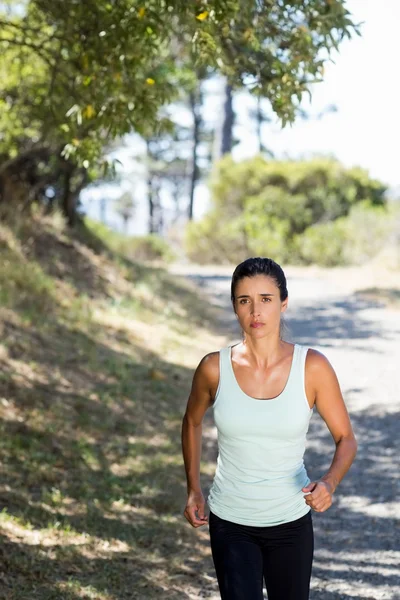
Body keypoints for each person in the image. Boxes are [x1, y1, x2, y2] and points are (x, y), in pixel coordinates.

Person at [181, 257, 357, 600]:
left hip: (290, 521)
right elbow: (191, 421)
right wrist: (193, 489)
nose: (255, 311)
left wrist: (329, 483)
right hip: (230, 521)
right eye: (244, 301)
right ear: (234, 307)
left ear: (284, 303)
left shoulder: (313, 367)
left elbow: (346, 439)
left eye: (266, 299)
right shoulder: (214, 368)